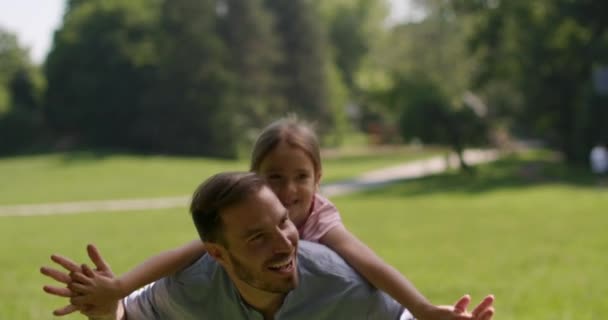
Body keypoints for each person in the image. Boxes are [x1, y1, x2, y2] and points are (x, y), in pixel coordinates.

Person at [43, 117, 495, 319]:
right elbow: (179, 262)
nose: (290, 191)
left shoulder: (335, 269)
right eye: (274, 178)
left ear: (319, 179)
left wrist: (420, 308)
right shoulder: (199, 278)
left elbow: (368, 264)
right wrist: (114, 298)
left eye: (301, 179)